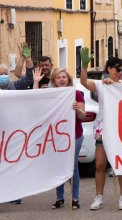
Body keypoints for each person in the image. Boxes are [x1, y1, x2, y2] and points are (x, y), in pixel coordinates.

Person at [80, 48, 122, 210]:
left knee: (121, 165)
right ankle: (98, 197)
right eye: (117, 69)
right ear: (109, 69)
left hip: (121, 131)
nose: (120, 73)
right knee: (100, 165)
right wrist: (84, 66)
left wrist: (115, 82)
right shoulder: (100, 85)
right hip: (103, 130)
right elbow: (83, 82)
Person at [35, 68, 86, 210]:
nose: (62, 79)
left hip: (74, 136)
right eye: (58, 77)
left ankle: (75, 199)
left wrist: (78, 109)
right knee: (58, 166)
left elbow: (83, 116)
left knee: (72, 167)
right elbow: (35, 103)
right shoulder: (51, 95)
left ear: (68, 79)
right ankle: (60, 198)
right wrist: (35, 82)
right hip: (56, 137)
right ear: (54, 80)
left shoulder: (76, 94)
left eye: (64, 77)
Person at [1, 44, 33, 205]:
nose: (4, 77)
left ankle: (14, 194)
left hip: (11, 135)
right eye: (1, 75)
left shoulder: (13, 87)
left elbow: (28, 79)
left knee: (13, 164)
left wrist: (25, 58)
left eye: (5, 74)